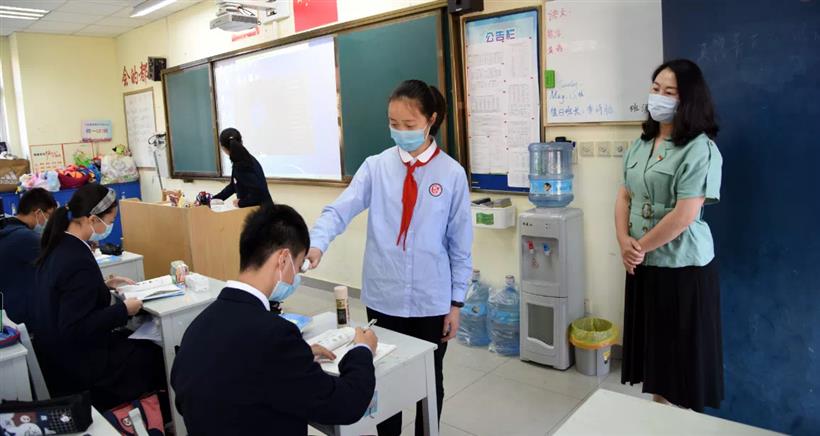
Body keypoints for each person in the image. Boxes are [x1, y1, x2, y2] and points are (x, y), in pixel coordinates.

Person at [308, 79, 473, 435]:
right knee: (384, 376)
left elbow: (460, 245)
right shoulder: (376, 167)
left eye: (409, 124)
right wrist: (317, 243)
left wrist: (456, 303)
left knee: (430, 376)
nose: (400, 132)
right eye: (393, 123)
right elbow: (339, 210)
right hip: (385, 296)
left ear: (431, 119)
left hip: (431, 300)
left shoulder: (451, 174)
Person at [171, 204, 377, 435]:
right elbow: (345, 404)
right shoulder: (275, 335)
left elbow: (193, 391)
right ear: (283, 259)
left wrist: (297, 357)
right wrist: (362, 350)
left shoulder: (198, 326)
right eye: (298, 266)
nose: (295, 276)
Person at [616, 59, 724, 412]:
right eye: (655, 88)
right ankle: (659, 417)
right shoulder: (641, 143)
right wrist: (623, 241)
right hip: (643, 264)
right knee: (657, 358)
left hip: (682, 267)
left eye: (669, 92)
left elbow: (684, 215)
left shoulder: (700, 148)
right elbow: (624, 196)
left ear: (688, 99)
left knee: (683, 364)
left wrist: (638, 248)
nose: (659, 97)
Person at [32, 184, 167, 410]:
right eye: (110, 220)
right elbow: (75, 327)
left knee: (131, 339)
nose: (110, 226)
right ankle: (153, 416)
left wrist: (102, 287)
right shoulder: (77, 259)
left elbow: (66, 296)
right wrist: (124, 310)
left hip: (56, 356)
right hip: (79, 365)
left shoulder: (59, 246)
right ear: (92, 219)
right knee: (155, 353)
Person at [0, 188, 56, 327]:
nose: (50, 222)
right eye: (49, 216)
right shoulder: (26, 238)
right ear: (38, 212)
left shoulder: (7, 228)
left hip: (7, 312)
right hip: (21, 315)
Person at [213, 127, 272, 208]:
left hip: (261, 211)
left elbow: (259, 194)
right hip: (259, 209)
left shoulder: (243, 165)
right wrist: (214, 199)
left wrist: (241, 203)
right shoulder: (241, 160)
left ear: (222, 147)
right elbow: (233, 185)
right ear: (241, 142)